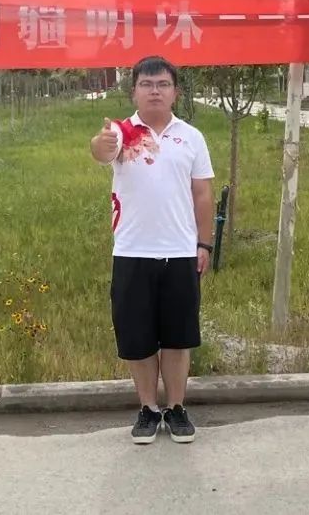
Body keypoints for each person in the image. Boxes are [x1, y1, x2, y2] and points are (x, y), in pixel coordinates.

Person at [90, 55, 215, 445]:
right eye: (146, 84)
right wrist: (99, 143)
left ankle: (176, 408)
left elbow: (202, 193)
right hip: (132, 252)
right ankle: (148, 408)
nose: (155, 91)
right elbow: (101, 151)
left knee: (178, 338)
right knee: (139, 338)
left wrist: (204, 243)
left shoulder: (191, 137)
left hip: (180, 252)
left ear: (175, 92)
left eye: (163, 84)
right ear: (134, 92)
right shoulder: (122, 132)